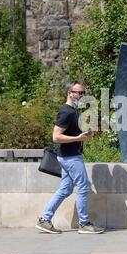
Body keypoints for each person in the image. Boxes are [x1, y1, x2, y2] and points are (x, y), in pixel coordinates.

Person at [35, 81, 104, 234]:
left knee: (65, 189)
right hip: (70, 157)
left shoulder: (73, 111)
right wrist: (77, 138)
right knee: (84, 187)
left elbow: (72, 133)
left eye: (82, 93)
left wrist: (84, 135)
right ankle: (84, 223)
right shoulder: (66, 112)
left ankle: (45, 219)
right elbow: (56, 137)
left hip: (68, 156)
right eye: (78, 93)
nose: (81, 96)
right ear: (69, 93)